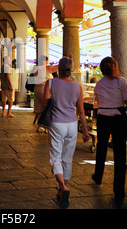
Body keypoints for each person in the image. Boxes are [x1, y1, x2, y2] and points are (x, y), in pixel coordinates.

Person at [42, 57, 91, 208]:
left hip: (57, 123)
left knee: (55, 156)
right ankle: (61, 190)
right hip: (72, 124)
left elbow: (45, 104)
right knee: (67, 158)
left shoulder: (50, 83)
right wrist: (85, 131)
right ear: (71, 70)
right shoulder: (77, 86)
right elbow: (81, 111)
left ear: (59, 69)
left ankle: (63, 186)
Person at [92, 56, 127, 200]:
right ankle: (119, 190)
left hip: (103, 117)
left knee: (101, 147)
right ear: (115, 67)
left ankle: (98, 176)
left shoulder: (98, 84)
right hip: (118, 117)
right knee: (119, 154)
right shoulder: (121, 81)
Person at [32, 55, 59, 131]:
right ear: (44, 61)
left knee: (39, 108)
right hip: (44, 89)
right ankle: (46, 126)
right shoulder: (45, 68)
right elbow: (57, 67)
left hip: (37, 88)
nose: (48, 62)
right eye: (47, 61)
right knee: (46, 107)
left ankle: (40, 126)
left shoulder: (36, 68)